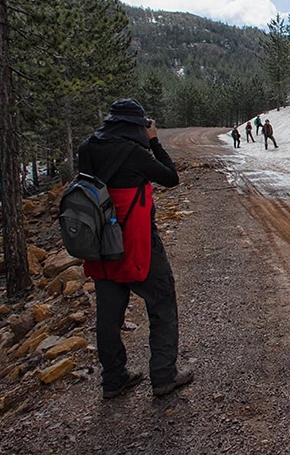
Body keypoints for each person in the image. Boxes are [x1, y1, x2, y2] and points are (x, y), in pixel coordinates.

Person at [78, 98, 193, 399]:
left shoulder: (88, 148)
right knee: (162, 301)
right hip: (136, 240)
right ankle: (164, 374)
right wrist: (154, 143)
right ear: (138, 126)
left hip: (100, 243)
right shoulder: (133, 153)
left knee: (108, 315)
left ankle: (114, 380)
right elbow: (171, 177)